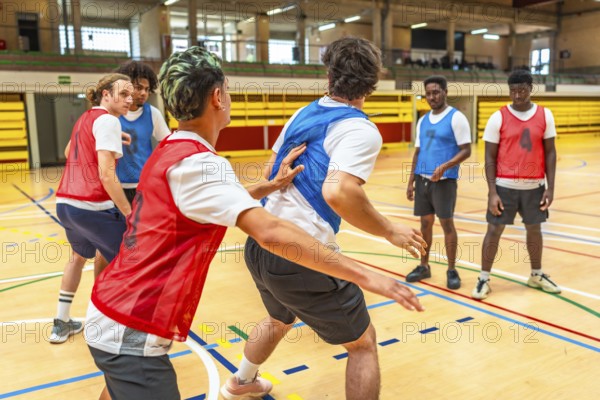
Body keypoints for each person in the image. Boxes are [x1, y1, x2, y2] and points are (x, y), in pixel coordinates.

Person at [84, 46, 426, 400]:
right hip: (131, 324)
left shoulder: (174, 148)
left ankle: (243, 381)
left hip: (113, 308)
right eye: (228, 90)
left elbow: (202, 198)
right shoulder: (202, 164)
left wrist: (266, 186)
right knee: (361, 341)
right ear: (218, 97)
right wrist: (366, 274)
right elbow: (272, 232)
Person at [221, 37, 426, 400]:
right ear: (373, 81)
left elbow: (271, 173)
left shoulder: (303, 113)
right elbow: (339, 192)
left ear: (328, 74)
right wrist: (389, 229)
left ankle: (242, 382)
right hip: (302, 255)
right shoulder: (360, 129)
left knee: (279, 319)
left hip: (261, 244)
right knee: (362, 344)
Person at [49, 73, 133, 344]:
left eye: (131, 94)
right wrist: (129, 214)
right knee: (129, 262)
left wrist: (111, 136)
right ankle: (111, 326)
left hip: (66, 205)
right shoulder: (108, 120)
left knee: (76, 258)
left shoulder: (87, 118)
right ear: (106, 94)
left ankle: (61, 323)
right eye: (123, 94)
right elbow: (107, 176)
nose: (130, 100)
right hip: (92, 207)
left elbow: (67, 151)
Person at [472, 69, 560, 299]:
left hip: (534, 187)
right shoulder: (498, 117)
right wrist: (492, 192)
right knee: (494, 230)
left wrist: (550, 188)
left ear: (531, 89)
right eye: (513, 90)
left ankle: (536, 274)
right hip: (504, 186)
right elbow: (489, 157)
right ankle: (483, 278)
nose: (517, 95)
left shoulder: (545, 115)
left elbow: (551, 153)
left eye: (522, 90)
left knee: (535, 230)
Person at [405, 75, 471, 289]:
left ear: (445, 92)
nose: (432, 97)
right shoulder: (423, 120)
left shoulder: (456, 118)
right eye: (428, 93)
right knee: (425, 224)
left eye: (436, 92)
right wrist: (410, 181)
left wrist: (445, 166)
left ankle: (452, 269)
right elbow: (417, 152)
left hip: (444, 182)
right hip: (423, 181)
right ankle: (424, 266)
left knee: (447, 225)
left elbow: (466, 150)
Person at [114, 61, 171, 204]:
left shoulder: (153, 113)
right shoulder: (112, 113)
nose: (144, 93)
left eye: (147, 89)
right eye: (138, 88)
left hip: (144, 185)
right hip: (115, 185)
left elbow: (168, 145)